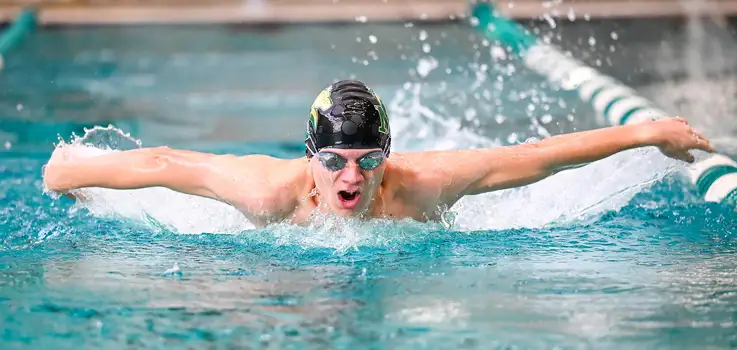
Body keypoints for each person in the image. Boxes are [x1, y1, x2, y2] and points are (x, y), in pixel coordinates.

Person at [42, 79, 715, 228]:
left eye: (367, 159)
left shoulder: (422, 184)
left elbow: (533, 157)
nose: (351, 174)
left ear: (387, 158)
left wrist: (645, 132)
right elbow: (167, 164)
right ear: (309, 158)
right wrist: (71, 171)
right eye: (334, 160)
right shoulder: (267, 191)